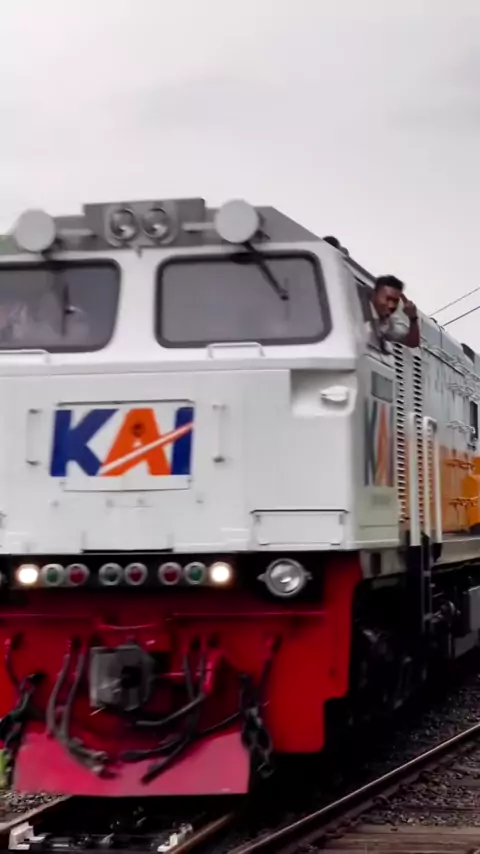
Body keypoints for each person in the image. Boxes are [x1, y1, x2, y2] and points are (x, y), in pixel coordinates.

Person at [369, 275, 419, 349]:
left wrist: (413, 318)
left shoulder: (389, 323)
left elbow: (412, 343)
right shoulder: (359, 308)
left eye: (395, 301)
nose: (391, 305)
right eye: (388, 299)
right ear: (374, 295)